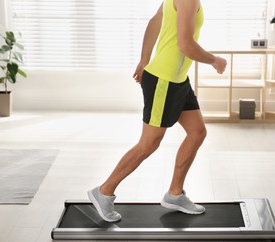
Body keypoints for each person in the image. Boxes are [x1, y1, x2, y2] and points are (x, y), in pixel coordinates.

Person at [88, 0, 227, 222]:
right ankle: (104, 191)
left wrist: (144, 60)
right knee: (149, 143)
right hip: (165, 80)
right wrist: (214, 60)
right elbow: (185, 45)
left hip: (178, 79)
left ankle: (175, 194)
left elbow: (155, 22)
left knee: (197, 132)